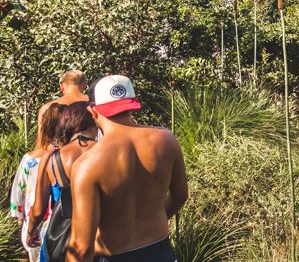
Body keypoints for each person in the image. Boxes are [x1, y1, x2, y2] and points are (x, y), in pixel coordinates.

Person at [66, 75, 187, 262]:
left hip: (114, 256)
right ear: (132, 105)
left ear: (92, 111)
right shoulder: (166, 140)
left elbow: (81, 249)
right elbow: (180, 195)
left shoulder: (87, 165)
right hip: (160, 251)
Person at [27, 102, 97, 262]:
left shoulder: (51, 157)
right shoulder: (103, 152)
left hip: (59, 237)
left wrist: (31, 231)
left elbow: (38, 210)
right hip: (96, 237)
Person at [9, 103, 66, 262]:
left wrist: (22, 219)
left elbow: (18, 191)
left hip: (34, 223)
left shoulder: (29, 160)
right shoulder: (71, 157)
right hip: (62, 224)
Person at [34, 71, 88, 154]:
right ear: (84, 85)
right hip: (87, 155)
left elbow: (41, 144)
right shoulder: (94, 104)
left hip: (56, 159)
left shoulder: (47, 108)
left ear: (61, 86)